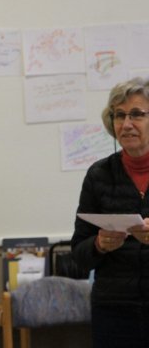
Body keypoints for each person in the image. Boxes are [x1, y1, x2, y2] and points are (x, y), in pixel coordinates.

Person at [71, 77, 149, 348]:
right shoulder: (98, 175)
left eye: (136, 114)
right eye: (119, 115)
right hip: (114, 310)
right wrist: (99, 245)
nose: (126, 124)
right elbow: (78, 253)